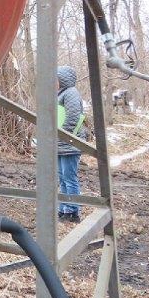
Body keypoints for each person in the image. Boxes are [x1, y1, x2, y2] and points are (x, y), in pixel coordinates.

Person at [57, 66, 87, 223]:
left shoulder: (71, 93)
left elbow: (73, 117)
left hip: (69, 143)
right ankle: (63, 208)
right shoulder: (60, 94)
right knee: (61, 177)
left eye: (56, 79)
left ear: (62, 79)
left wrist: (61, 134)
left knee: (69, 178)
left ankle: (73, 211)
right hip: (59, 143)